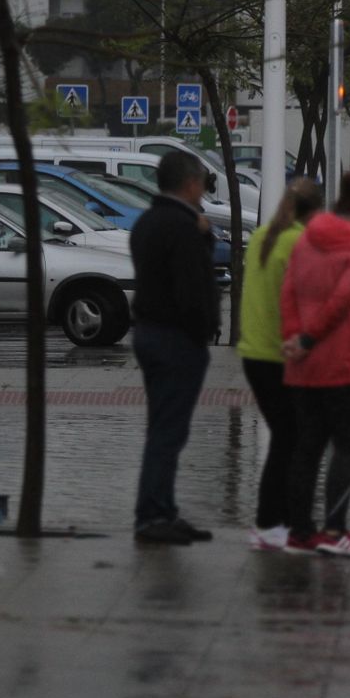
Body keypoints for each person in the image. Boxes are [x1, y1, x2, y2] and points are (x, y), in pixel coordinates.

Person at [280, 173, 350, 557]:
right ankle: (335, 530)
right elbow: (343, 299)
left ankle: (300, 533)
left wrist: (295, 339)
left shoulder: (305, 239)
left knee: (306, 448)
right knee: (347, 447)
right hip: (341, 363)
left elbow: (288, 292)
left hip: (302, 365)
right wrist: (311, 337)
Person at [129, 150, 221, 545]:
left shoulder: (147, 221)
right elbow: (192, 289)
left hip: (150, 333)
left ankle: (163, 508)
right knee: (168, 431)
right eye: (201, 180)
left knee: (163, 427)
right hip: (175, 340)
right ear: (189, 184)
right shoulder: (181, 227)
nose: (203, 188)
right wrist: (203, 330)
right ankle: (153, 516)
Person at [236, 176, 323, 552]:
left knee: (287, 437)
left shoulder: (260, 237)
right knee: (291, 440)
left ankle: (280, 519)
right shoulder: (299, 242)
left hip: (254, 353)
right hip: (279, 355)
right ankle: (271, 522)